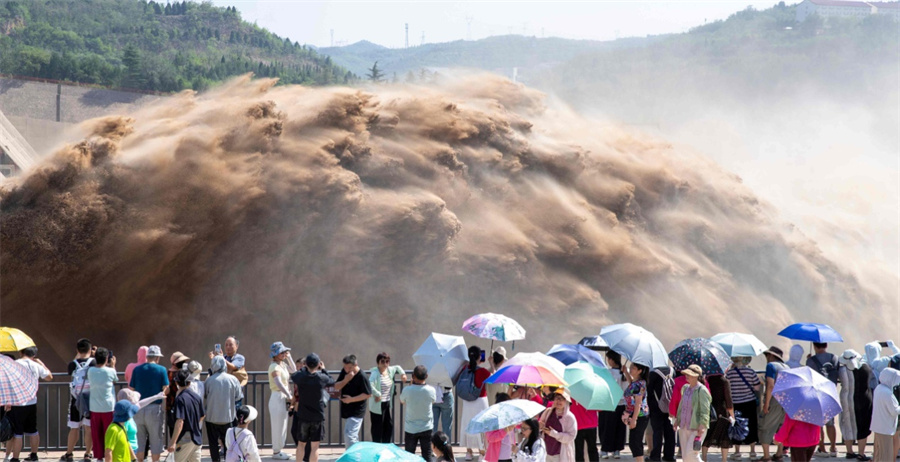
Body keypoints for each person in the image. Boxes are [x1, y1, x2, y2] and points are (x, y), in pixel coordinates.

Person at [7, 347, 52, 462]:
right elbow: (49, 377)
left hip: (17, 402)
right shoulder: (36, 365)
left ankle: (16, 457)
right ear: (34, 355)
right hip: (32, 402)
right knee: (33, 430)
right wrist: (41, 363)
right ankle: (34, 455)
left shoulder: (14, 364)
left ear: (21, 352)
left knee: (17, 432)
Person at [291, 353, 334, 462]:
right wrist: (323, 369)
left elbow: (294, 376)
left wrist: (304, 369)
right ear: (318, 364)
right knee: (315, 447)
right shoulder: (321, 378)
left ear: (305, 364)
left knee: (301, 444)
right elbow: (331, 381)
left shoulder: (300, 377)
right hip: (317, 416)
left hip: (303, 415)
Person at [128, 345, 169, 462]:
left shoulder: (137, 370)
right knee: (156, 442)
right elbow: (165, 388)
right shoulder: (162, 370)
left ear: (147, 357)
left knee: (139, 442)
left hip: (138, 409)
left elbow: (131, 389)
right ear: (157, 357)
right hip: (155, 410)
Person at [204, 355, 243, 462]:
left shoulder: (209, 381)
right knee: (229, 444)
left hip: (211, 418)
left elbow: (205, 395)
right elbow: (238, 397)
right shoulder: (233, 379)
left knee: (213, 444)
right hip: (228, 418)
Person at [837, 350, 873, 461]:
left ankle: (849, 451)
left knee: (847, 424)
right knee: (862, 426)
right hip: (862, 400)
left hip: (846, 400)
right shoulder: (865, 368)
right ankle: (861, 453)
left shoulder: (841, 370)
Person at [62, 338, 94, 462]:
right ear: (90, 350)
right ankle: (87, 454)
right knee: (88, 427)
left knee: (74, 427)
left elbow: (71, 370)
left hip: (76, 399)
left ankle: (69, 453)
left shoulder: (72, 364)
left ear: (77, 350)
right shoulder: (93, 362)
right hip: (89, 398)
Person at [805, 342, 839, 457]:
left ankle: (822, 448)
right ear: (826, 346)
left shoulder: (811, 361)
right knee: (830, 422)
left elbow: (808, 377)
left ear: (814, 346)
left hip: (817, 393)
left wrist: (809, 360)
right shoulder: (834, 358)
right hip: (831, 393)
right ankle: (833, 448)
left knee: (818, 422)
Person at [673, 365, 711, 462]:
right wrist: (677, 420)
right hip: (684, 426)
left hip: (696, 426)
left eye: (689, 374)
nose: (686, 376)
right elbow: (682, 406)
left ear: (696, 376)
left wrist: (702, 425)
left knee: (692, 454)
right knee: (685, 457)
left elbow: (705, 409)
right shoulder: (685, 388)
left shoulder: (702, 390)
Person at [459, 346, 491, 461]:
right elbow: (494, 377)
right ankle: (482, 452)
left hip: (467, 401)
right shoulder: (483, 371)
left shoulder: (464, 369)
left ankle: (469, 452)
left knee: (468, 423)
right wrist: (491, 364)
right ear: (480, 357)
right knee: (481, 424)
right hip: (480, 401)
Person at [367, 352, 407, 443]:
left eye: (387, 361)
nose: (385, 364)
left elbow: (397, 367)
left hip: (386, 402)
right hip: (377, 404)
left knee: (388, 426)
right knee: (377, 427)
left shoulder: (389, 370)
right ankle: (377, 447)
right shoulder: (375, 373)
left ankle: (386, 445)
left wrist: (402, 374)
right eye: (382, 361)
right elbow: (369, 385)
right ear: (378, 363)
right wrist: (378, 394)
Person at [726, 356, 761, 460]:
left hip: (736, 403)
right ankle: (753, 452)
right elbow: (757, 387)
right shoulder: (751, 371)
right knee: (751, 425)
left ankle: (737, 452)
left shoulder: (730, 373)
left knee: (737, 426)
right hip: (749, 402)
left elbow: (727, 388)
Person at [400, 365, 437, 460]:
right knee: (427, 455)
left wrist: (410, 386)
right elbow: (433, 401)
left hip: (411, 428)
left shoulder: (407, 390)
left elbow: (402, 401)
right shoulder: (431, 390)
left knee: (409, 456)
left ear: (413, 376)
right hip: (426, 427)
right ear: (426, 376)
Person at [116, 388, 166, 458]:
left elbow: (141, 403)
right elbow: (124, 441)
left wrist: (156, 397)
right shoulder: (123, 420)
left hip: (133, 451)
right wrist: (133, 458)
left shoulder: (128, 412)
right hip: (127, 452)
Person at [335, 354, 371, 448]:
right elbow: (336, 386)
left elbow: (368, 394)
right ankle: (356, 455)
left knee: (349, 435)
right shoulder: (345, 372)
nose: (347, 370)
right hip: (347, 409)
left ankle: (352, 457)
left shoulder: (362, 376)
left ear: (356, 365)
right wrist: (346, 380)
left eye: (349, 368)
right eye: (345, 367)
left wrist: (351, 400)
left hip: (357, 410)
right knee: (351, 436)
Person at [167, 370, 204, 462]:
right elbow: (202, 416)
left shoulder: (180, 399)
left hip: (184, 439)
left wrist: (173, 442)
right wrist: (193, 424)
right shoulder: (197, 397)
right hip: (197, 438)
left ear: (176, 383)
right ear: (190, 382)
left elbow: (180, 422)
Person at [88, 347, 118, 462]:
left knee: (97, 433)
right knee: (108, 433)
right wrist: (113, 365)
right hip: (108, 407)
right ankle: (109, 456)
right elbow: (115, 379)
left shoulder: (90, 371)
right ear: (107, 358)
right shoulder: (110, 371)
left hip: (94, 407)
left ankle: (99, 457)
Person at [267, 342, 296, 459]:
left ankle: (279, 450)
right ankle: (276, 451)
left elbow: (293, 369)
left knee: (283, 424)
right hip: (277, 397)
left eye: (285, 351)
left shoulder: (282, 365)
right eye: (282, 352)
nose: (284, 353)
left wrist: (289, 357)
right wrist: (288, 394)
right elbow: (278, 383)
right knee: (277, 424)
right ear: (276, 354)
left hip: (282, 397)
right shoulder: (274, 366)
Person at [759, 347, 787, 462]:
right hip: (786, 402)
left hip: (775, 400)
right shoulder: (787, 367)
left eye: (767, 356)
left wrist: (766, 404)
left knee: (766, 427)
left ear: (771, 356)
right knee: (781, 428)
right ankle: (779, 454)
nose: (766, 358)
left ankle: (766, 456)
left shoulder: (771, 366)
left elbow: (770, 385)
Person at [599, 350, 628, 460]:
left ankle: (605, 450)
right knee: (619, 427)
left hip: (609, 403)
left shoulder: (608, 373)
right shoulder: (625, 372)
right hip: (621, 404)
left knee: (606, 427)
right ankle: (617, 450)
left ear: (611, 360)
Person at [701, 372, 735, 461]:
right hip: (722, 412)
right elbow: (729, 400)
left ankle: (704, 458)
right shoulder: (725, 381)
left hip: (709, 411)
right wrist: (732, 415)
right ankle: (724, 460)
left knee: (707, 435)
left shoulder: (706, 380)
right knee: (724, 436)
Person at [870, 368, 900, 462]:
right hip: (885, 430)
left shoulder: (879, 388)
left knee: (878, 456)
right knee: (886, 457)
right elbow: (894, 411)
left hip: (879, 427)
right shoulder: (887, 393)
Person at [646, 364, 675, 462]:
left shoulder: (653, 374)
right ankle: (669, 456)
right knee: (670, 432)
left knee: (657, 432)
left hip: (656, 408)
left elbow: (649, 393)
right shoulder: (673, 372)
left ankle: (655, 456)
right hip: (671, 407)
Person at [538, 390, 577, 462]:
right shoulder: (548, 412)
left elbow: (571, 437)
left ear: (566, 401)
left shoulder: (570, 417)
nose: (558, 401)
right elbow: (540, 426)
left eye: (561, 399)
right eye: (556, 398)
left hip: (561, 454)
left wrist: (554, 434)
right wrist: (540, 426)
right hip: (546, 452)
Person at [623, 362, 650, 462]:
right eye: (631, 367)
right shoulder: (636, 382)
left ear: (640, 371)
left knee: (635, 442)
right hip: (638, 415)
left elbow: (638, 403)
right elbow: (631, 386)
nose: (631, 369)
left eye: (633, 368)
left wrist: (634, 420)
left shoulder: (640, 384)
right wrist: (626, 372)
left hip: (640, 415)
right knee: (633, 442)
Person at [485, 393, 516, 462]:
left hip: (510, 456)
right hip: (498, 457)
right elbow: (490, 438)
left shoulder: (510, 418)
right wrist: (504, 431)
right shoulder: (492, 420)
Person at [166, 352, 191, 436]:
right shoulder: (179, 375)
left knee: (173, 430)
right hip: (177, 405)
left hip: (170, 406)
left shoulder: (168, 373)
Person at [568, 397, 599, 462]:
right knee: (592, 449)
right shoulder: (592, 395)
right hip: (590, 424)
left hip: (578, 424)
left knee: (578, 451)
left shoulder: (571, 394)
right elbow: (599, 408)